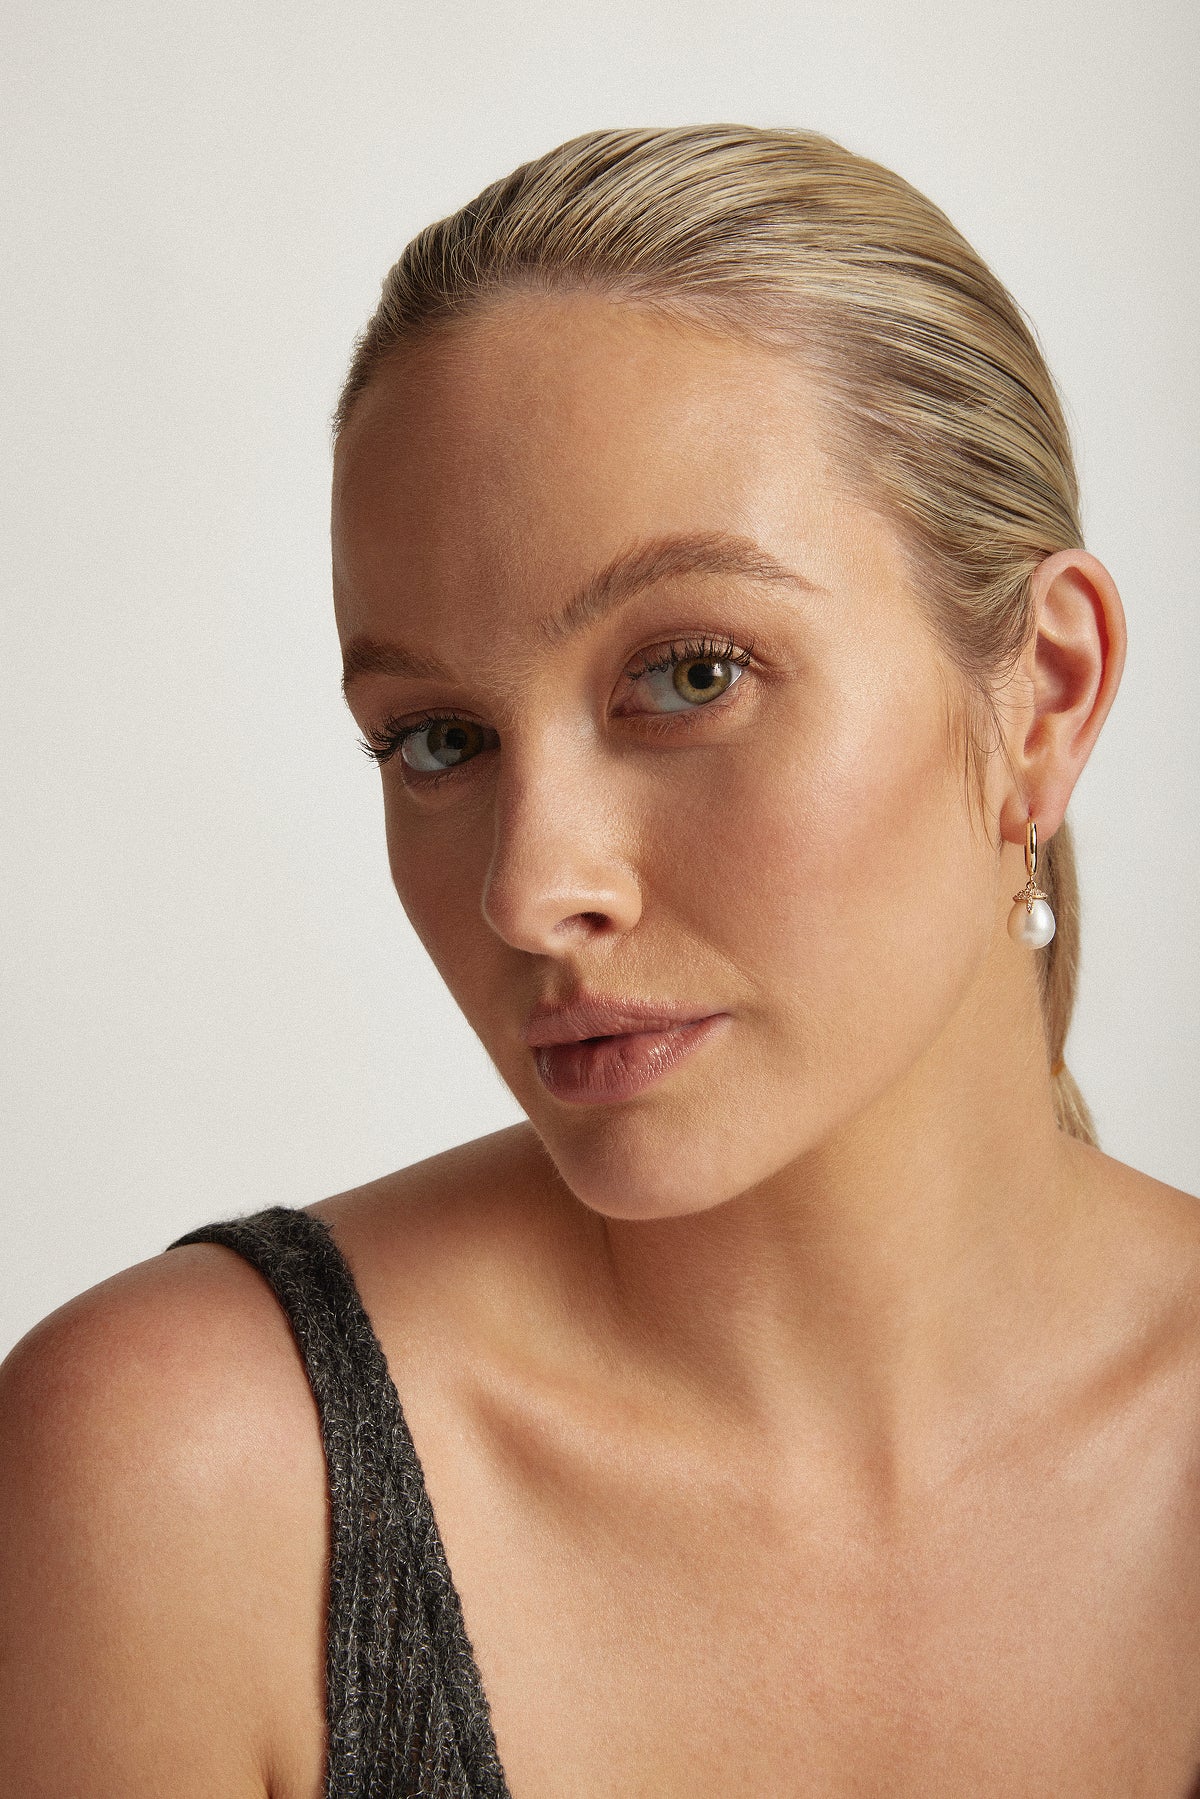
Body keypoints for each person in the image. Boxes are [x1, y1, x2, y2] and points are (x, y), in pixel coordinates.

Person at [1, 123, 1198, 1799]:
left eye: (692, 674)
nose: (529, 888)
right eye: (435, 739)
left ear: (1044, 697)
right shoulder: (190, 1481)